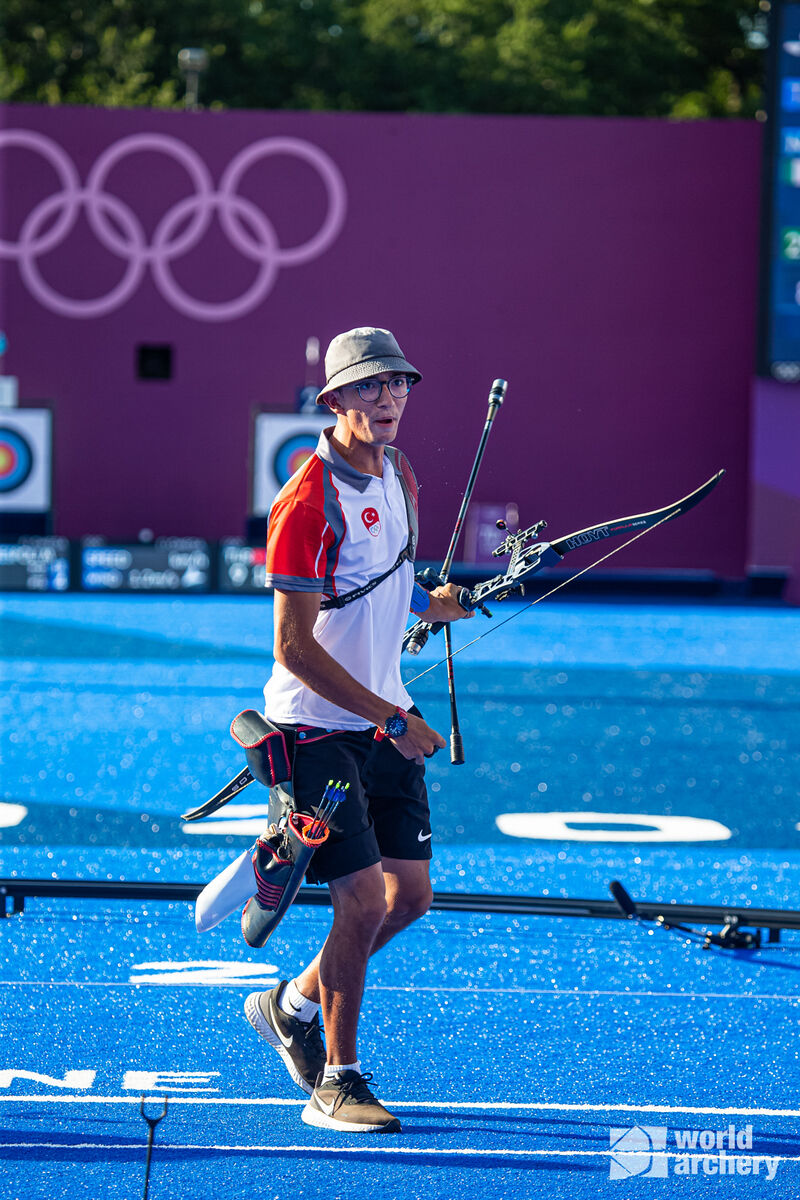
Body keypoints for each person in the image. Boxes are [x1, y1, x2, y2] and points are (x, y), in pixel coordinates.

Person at [244, 327, 471, 1133]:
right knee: (363, 902)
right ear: (335, 399)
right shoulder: (306, 500)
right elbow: (294, 647)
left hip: (379, 718)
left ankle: (290, 1007)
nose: (389, 398)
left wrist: (434, 604)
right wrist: (395, 718)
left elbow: (389, 579)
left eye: (398, 383)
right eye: (370, 386)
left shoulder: (400, 473)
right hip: (316, 730)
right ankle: (336, 1082)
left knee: (409, 897)